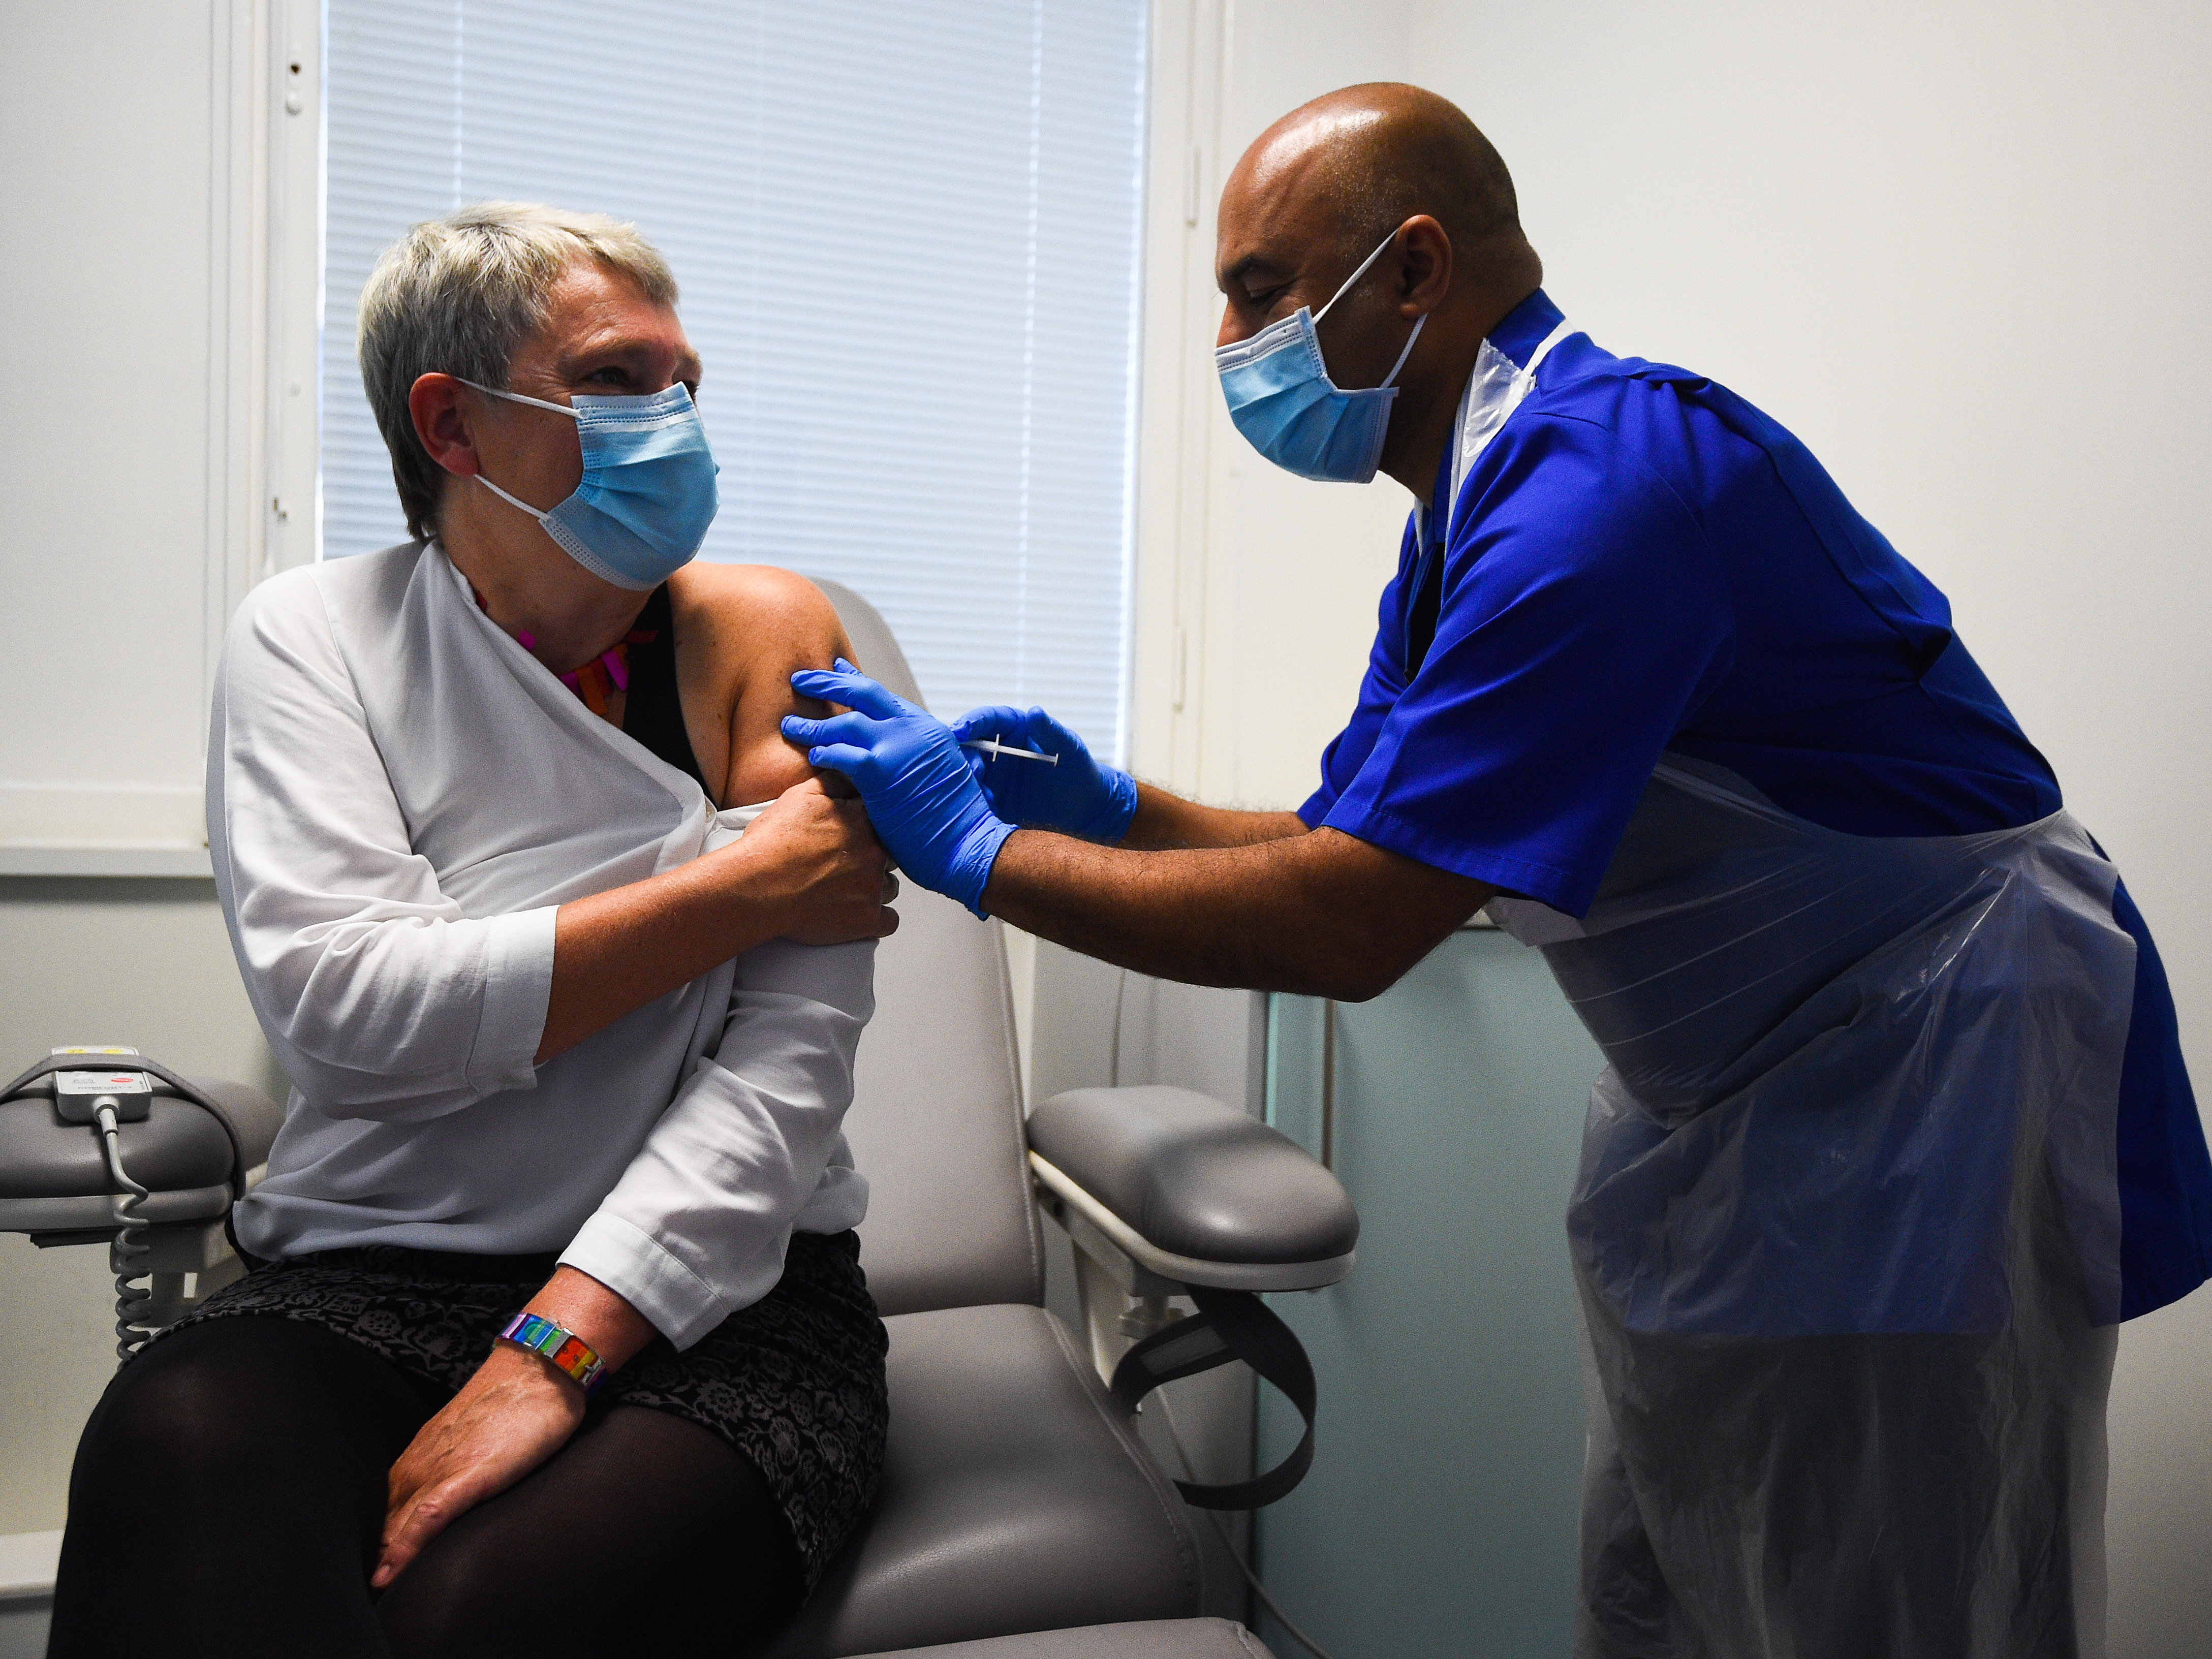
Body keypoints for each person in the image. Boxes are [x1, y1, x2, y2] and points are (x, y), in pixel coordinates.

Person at [780, 85, 2212, 1658]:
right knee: (1675, 1577)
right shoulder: (1472, 504)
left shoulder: (1599, 501)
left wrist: (985, 858)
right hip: (1751, 1092)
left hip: (1923, 1092)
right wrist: (1122, 809)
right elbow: (1361, 845)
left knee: (1887, 1597)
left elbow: (1351, 923)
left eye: (1258, 289)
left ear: (1409, 270)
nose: (1228, 342)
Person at [48, 203, 900, 1658]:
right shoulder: (314, 637)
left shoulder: (769, 634)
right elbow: (352, 1013)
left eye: (685, 383)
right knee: (170, 1440)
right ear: (450, 423)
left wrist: (559, 1346)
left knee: (469, 1615)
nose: (676, 421)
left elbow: (787, 1064)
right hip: (367, 1263)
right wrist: (740, 885)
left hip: (718, 1298)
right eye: (618, 382)